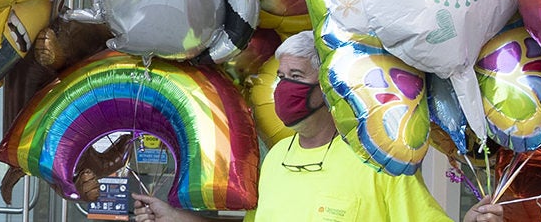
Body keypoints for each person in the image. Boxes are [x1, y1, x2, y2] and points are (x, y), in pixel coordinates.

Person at [134, 32, 504, 222]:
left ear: (329, 88)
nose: (282, 88)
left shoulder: (379, 163)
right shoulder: (276, 157)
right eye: (280, 77)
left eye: (296, 76)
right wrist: (176, 216)